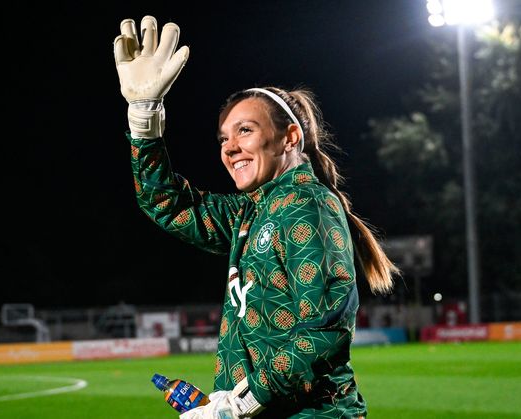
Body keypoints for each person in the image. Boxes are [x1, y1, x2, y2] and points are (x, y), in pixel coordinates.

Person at [113, 15, 399, 419]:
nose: (230, 148)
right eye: (224, 138)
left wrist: (242, 401)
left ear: (289, 137)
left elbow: (324, 328)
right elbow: (169, 204)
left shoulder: (307, 204)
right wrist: (144, 116)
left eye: (244, 130)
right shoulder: (251, 211)